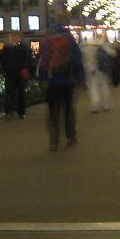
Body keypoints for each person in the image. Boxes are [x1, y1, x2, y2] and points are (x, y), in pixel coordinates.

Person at [36, 16, 84, 151]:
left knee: (52, 112)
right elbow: (77, 61)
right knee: (69, 109)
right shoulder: (70, 41)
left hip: (51, 82)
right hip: (68, 81)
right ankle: (70, 136)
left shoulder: (46, 42)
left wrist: (42, 79)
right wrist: (80, 78)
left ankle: (54, 141)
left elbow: (41, 62)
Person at [0, 32, 32, 119]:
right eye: (13, 37)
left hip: (17, 73)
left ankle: (19, 111)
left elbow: (27, 60)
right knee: (11, 93)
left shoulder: (10, 48)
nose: (14, 38)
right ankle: (11, 111)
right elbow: (2, 60)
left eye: (15, 36)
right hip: (12, 73)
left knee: (19, 93)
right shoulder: (21, 48)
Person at [81, 33, 115, 113]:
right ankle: (106, 105)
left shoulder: (85, 46)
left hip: (90, 69)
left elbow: (82, 59)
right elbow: (113, 54)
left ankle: (95, 105)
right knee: (104, 86)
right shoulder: (102, 45)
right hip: (102, 69)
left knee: (93, 87)